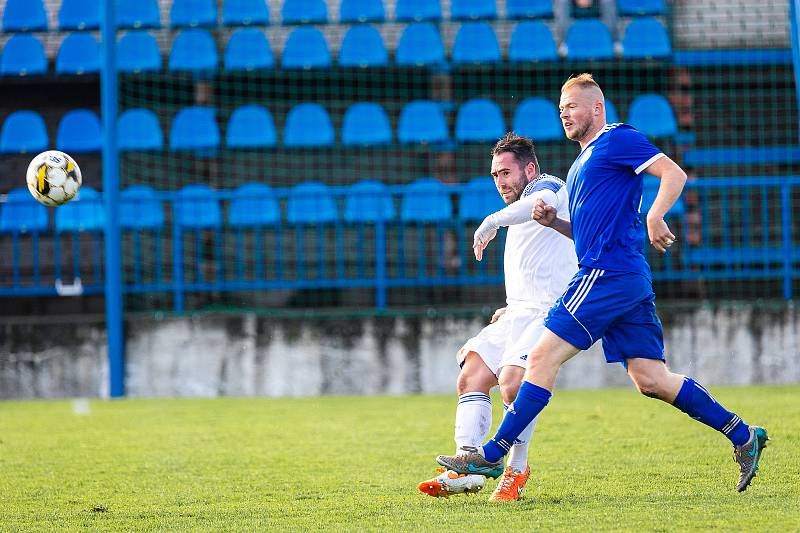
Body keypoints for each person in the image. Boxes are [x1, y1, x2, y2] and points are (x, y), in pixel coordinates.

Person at [435, 74, 769, 493]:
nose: (565, 115)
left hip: (605, 273)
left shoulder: (616, 139)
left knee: (537, 361)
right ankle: (744, 435)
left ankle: (494, 454)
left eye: (572, 107)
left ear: (596, 108)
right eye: (560, 110)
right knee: (651, 379)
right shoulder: (579, 167)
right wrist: (552, 221)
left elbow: (673, 174)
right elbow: (586, 232)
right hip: (626, 278)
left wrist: (655, 215)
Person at [417, 133, 578, 501]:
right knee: (472, 373)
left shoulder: (547, 186)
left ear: (530, 168)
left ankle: (516, 471)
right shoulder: (516, 208)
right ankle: (467, 465)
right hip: (518, 311)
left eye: (506, 172)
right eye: (494, 175)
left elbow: (540, 203)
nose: (500, 182)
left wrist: (490, 222)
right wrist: (513, 303)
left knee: (512, 383)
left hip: (547, 313)